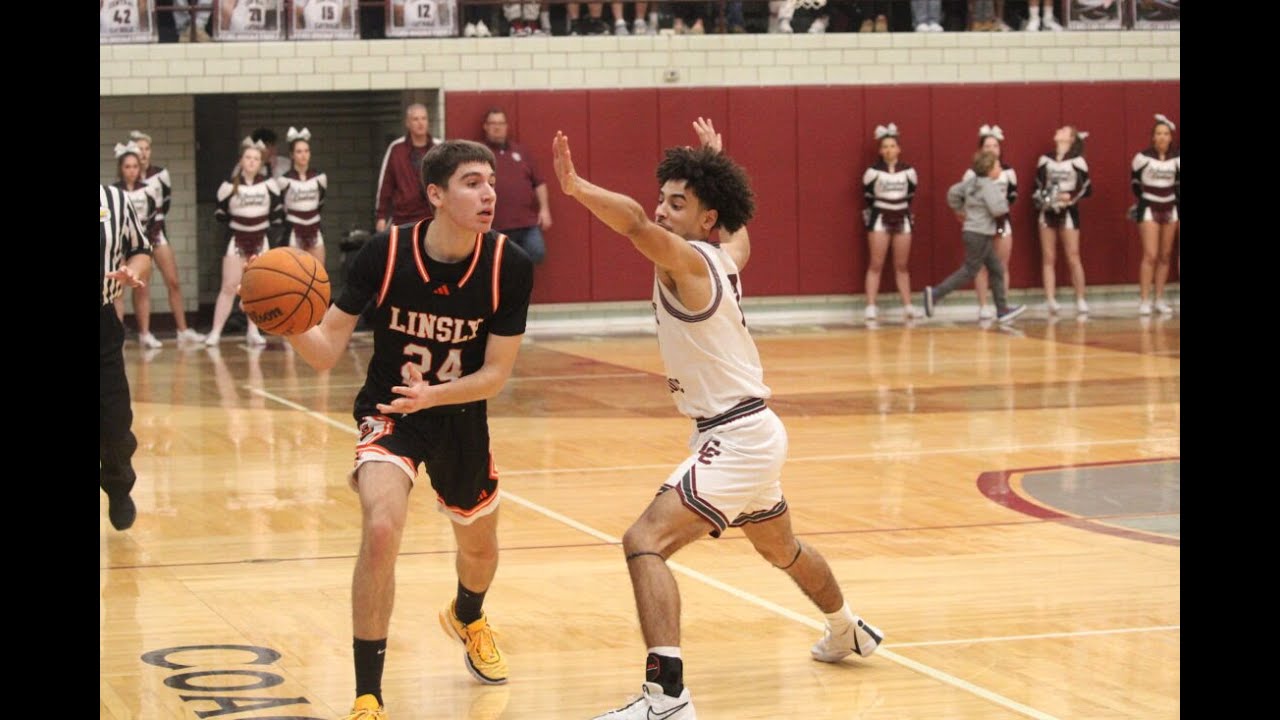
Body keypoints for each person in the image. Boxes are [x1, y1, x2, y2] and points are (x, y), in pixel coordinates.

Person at [552, 118, 884, 720]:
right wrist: (717, 165)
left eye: (677, 204)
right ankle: (848, 629)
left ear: (704, 220)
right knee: (782, 548)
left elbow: (631, 223)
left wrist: (576, 187)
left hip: (735, 435)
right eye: (663, 200)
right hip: (752, 431)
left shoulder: (687, 261)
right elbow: (742, 240)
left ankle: (667, 699)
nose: (662, 211)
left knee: (643, 542)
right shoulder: (724, 256)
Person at [284, 140, 534, 720]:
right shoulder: (384, 254)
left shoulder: (507, 266)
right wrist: (284, 320)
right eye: (473, 182)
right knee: (380, 527)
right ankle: (368, 694)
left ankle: (468, 615)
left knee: (480, 547)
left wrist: (436, 395)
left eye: (491, 180)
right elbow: (324, 352)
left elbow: (495, 375)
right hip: (390, 412)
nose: (489, 192)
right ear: (436, 195)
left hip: (461, 416)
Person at [923, 150, 1027, 324]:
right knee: (970, 271)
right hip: (980, 234)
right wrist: (1002, 206)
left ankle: (1002, 309)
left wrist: (960, 210)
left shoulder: (971, 183)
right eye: (997, 166)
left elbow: (952, 193)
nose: (1000, 169)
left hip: (975, 233)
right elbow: (998, 209)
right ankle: (935, 294)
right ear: (988, 169)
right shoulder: (989, 186)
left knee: (996, 269)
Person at [101, 183, 153, 531]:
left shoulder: (115, 200)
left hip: (101, 321)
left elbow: (140, 250)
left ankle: (119, 487)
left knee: (115, 421)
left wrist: (134, 271)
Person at [129, 130, 206, 346]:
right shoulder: (129, 178)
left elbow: (167, 203)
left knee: (173, 280)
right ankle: (144, 333)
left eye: (146, 149)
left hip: (158, 233)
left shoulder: (161, 175)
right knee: (142, 284)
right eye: (139, 149)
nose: (143, 153)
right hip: (137, 238)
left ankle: (183, 330)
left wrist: (156, 227)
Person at [205, 139, 283, 347]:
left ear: (261, 163)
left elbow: (277, 216)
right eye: (248, 157)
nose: (251, 161)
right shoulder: (228, 187)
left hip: (260, 241)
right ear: (241, 160)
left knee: (256, 287)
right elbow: (220, 215)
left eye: (256, 159)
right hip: (237, 241)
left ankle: (253, 330)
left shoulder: (270, 186)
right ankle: (215, 332)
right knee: (229, 286)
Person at [862, 123, 923, 322]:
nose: (889, 150)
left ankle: (908, 305)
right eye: (885, 146)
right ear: (881, 150)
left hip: (902, 217)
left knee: (902, 264)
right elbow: (868, 196)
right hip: (880, 217)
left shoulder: (909, 172)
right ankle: (871, 306)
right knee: (876, 263)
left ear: (898, 149)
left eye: (892, 146)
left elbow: (911, 193)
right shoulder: (872, 172)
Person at [482, 108, 552, 265]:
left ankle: (519, 286)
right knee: (499, 264)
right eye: (493, 123)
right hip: (497, 224)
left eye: (501, 123)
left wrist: (545, 209)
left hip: (527, 223)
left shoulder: (521, 152)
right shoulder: (480, 153)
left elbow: (539, 183)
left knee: (537, 252)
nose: (497, 127)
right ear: (485, 127)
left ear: (506, 126)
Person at [1034, 125, 1092, 314]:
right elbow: (1038, 184)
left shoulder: (1077, 161)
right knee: (1048, 256)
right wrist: (1045, 197)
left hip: (1068, 211)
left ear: (1072, 138)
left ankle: (1081, 299)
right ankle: (1050, 299)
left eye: (1064, 130)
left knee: (1073, 256)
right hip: (1047, 210)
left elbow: (1086, 188)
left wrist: (1069, 197)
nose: (1058, 130)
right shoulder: (1045, 160)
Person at [963, 124, 1018, 320]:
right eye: (988, 146)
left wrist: (999, 212)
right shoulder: (971, 174)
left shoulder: (1008, 172)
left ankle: (1001, 305)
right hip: (981, 224)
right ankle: (983, 305)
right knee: (981, 265)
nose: (992, 150)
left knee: (1001, 266)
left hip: (1002, 222)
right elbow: (965, 198)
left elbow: (1011, 197)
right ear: (981, 150)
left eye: (995, 146)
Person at [110, 142, 162, 346]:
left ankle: (145, 333)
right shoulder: (114, 192)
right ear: (121, 169)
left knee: (142, 287)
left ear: (139, 168)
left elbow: (155, 217)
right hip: (119, 245)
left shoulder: (149, 190)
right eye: (127, 166)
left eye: (134, 166)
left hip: (140, 244)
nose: (131, 170)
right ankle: (117, 335)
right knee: (118, 291)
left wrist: (146, 244)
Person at [1131, 113, 1179, 316]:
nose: (1162, 137)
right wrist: (1143, 201)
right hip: (1149, 206)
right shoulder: (1142, 158)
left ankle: (1159, 298)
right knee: (1150, 254)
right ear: (1153, 137)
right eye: (1158, 133)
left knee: (1165, 255)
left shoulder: (1176, 158)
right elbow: (1134, 183)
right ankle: (1144, 300)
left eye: (1165, 133)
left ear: (1170, 137)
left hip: (1170, 207)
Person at [375, 103, 442, 233]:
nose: (420, 123)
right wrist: (381, 216)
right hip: (403, 219)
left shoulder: (439, 148)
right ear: (407, 123)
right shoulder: (396, 149)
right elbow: (386, 184)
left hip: (433, 217)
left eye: (424, 118)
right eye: (415, 119)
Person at [279, 126, 329, 267]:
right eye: (299, 151)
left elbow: (320, 203)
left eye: (306, 151)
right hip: (293, 230)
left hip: (315, 229)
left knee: (318, 273)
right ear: (291, 155)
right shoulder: (284, 181)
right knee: (294, 275)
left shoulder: (320, 178)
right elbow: (281, 207)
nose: (303, 155)